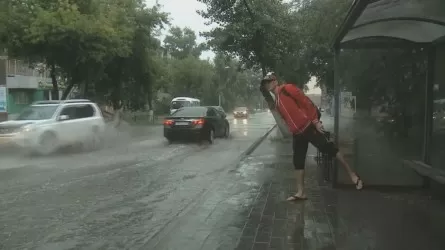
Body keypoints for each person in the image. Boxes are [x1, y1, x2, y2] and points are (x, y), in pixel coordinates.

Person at [260, 72, 363, 201]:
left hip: (308, 127)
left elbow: (306, 102)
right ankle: (301, 192)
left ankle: (352, 174)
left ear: (275, 81)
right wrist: (291, 129)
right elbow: (287, 118)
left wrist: (315, 121)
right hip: (297, 134)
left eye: (269, 81)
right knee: (298, 162)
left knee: (328, 148)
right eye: (265, 83)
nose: (268, 84)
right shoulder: (277, 102)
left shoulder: (287, 89)